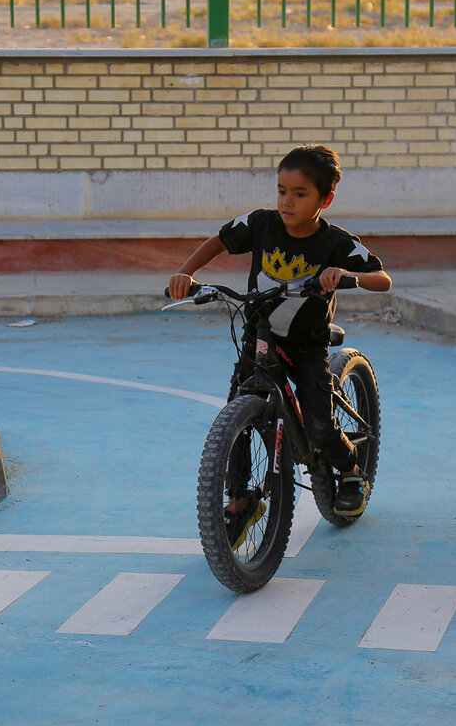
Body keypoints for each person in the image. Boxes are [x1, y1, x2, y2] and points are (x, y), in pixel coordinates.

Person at [168, 144, 392, 531]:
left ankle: (352, 469)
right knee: (236, 417)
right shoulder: (262, 223)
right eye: (281, 190)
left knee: (320, 426)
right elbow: (220, 240)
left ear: (326, 199)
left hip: (307, 346)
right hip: (259, 335)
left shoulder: (335, 242)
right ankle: (240, 500)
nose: (287, 201)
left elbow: (382, 279)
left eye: (300, 194)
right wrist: (185, 273)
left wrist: (343, 273)